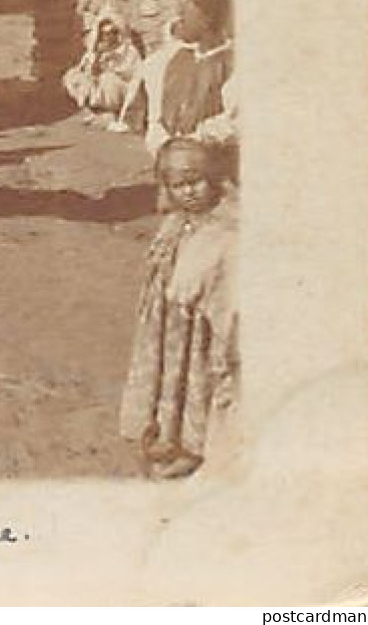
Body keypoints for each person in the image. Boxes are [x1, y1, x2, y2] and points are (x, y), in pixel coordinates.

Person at [119, 137, 239, 480]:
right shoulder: (174, 224)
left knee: (196, 379)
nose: (189, 192)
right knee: (168, 376)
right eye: (178, 185)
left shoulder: (225, 229)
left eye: (196, 181)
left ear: (213, 178)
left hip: (201, 323)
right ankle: (167, 435)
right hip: (168, 323)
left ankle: (193, 445)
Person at [119, 0, 234, 155]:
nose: (180, 22)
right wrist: (162, 142)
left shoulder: (232, 65)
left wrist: (198, 138)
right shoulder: (175, 58)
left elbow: (235, 121)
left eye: (186, 17)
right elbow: (155, 114)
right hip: (170, 156)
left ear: (205, 22)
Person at [63, 8, 142, 124]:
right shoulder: (97, 50)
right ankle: (95, 110)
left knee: (108, 79)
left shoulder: (128, 51)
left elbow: (135, 75)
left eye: (111, 33)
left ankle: (113, 112)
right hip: (97, 83)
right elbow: (84, 68)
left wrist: (112, 67)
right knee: (72, 76)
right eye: (104, 33)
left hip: (119, 88)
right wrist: (94, 64)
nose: (107, 37)